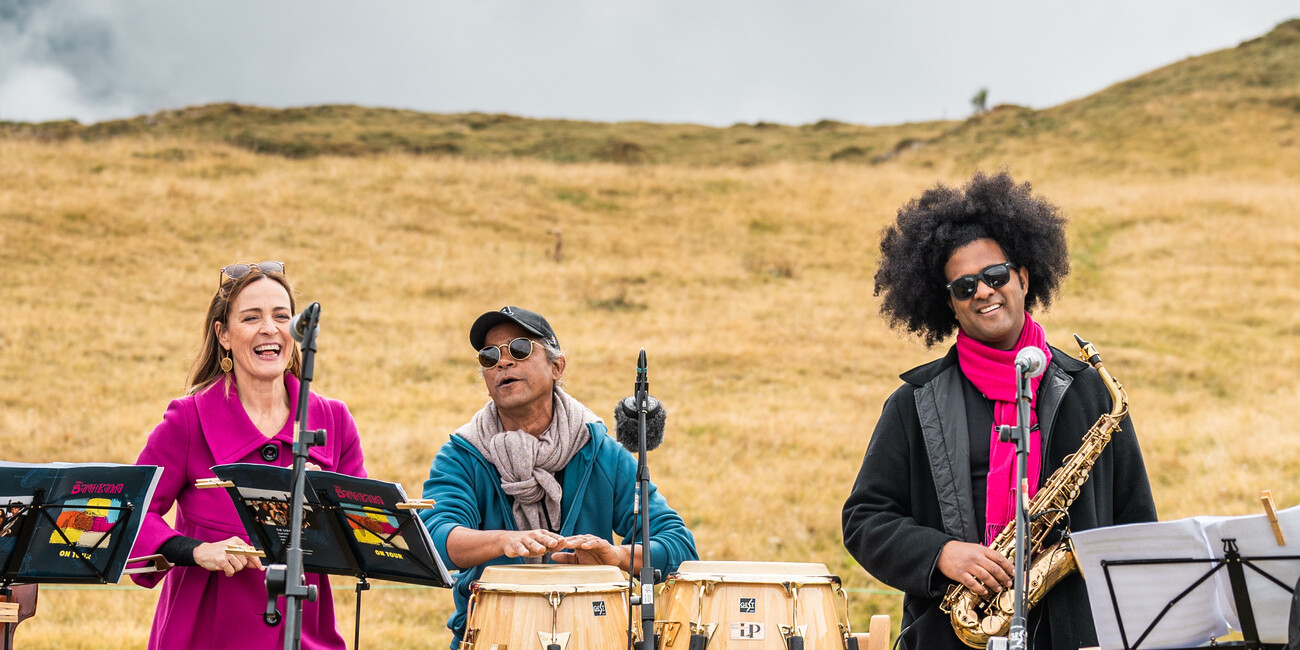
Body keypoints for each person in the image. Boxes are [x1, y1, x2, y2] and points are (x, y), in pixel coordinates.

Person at [841, 172, 1157, 650]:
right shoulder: (913, 402)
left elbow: (1136, 524)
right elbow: (865, 518)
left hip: (1077, 635)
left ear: (1024, 277)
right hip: (951, 635)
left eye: (995, 276)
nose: (983, 292)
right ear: (948, 304)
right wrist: (941, 554)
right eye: (964, 286)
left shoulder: (1092, 395)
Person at [420, 306, 698, 648]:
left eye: (519, 349)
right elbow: (433, 536)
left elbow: (678, 545)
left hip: (595, 637)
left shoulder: (601, 451)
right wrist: (504, 541)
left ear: (557, 366)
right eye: (489, 357)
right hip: (492, 636)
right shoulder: (464, 454)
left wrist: (616, 556)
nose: (503, 363)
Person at [129, 261, 366, 650]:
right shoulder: (188, 419)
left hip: (303, 632)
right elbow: (128, 510)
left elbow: (357, 527)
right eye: (251, 317)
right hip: (202, 633)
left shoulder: (334, 419)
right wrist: (195, 550)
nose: (270, 329)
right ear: (223, 334)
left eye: (282, 316)